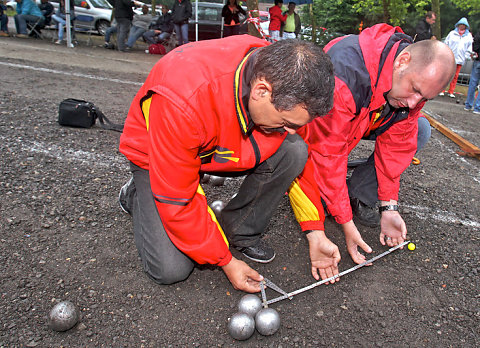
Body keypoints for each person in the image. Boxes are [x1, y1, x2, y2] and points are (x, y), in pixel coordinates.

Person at [118, 37, 334, 293]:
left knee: (295, 149)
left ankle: (240, 228)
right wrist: (226, 260)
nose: (291, 129)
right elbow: (179, 200)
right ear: (261, 91)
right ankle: (138, 192)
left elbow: (303, 166)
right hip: (159, 154)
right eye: (286, 122)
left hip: (216, 147)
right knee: (170, 269)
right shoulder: (182, 97)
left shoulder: (286, 77)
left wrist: (315, 231)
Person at [286, 24, 455, 284]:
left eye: (424, 99)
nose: (413, 103)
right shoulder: (345, 74)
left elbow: (397, 147)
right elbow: (328, 153)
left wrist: (389, 206)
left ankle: (359, 194)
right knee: (307, 163)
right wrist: (346, 222)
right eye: (416, 90)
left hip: (367, 115)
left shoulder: (407, 91)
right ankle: (320, 191)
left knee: (419, 128)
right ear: (403, 61)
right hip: (330, 120)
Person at [441, 18, 473, 98]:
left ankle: (451, 91)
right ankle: (442, 90)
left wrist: (466, 56)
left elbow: (469, 48)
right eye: (461, 25)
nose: (462, 26)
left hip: (460, 59)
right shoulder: (452, 33)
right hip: (450, 58)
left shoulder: (468, 36)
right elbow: (446, 43)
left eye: (464, 25)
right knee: (446, 75)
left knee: (455, 76)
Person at [464, 29, 480, 114]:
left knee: (473, 83)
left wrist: (476, 53)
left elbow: (475, 45)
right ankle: (477, 107)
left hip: (477, 60)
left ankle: (468, 105)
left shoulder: (478, 34)